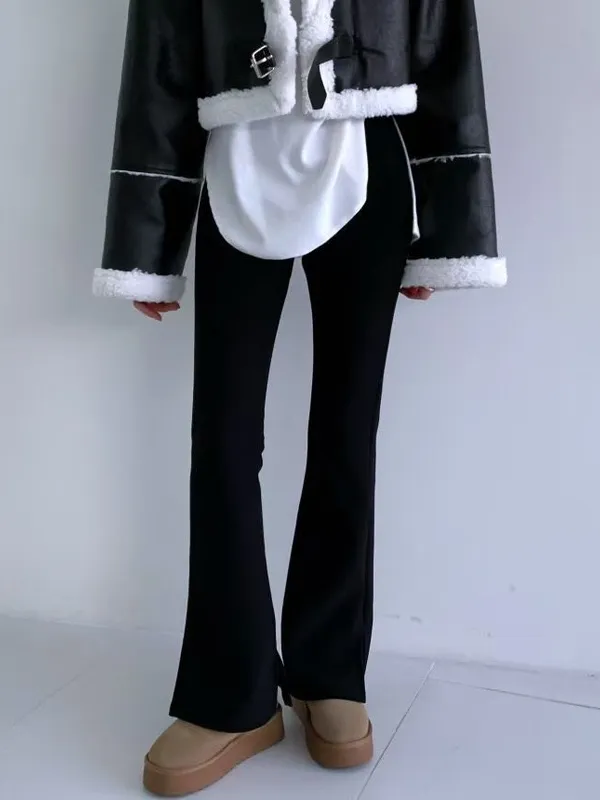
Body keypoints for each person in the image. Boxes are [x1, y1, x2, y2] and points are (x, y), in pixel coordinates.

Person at [94, 0, 506, 795]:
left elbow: (446, 46)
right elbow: (158, 62)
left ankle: (329, 674)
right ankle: (232, 693)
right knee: (222, 439)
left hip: (368, 162)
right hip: (236, 168)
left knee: (347, 431)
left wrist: (449, 233)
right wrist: (145, 246)